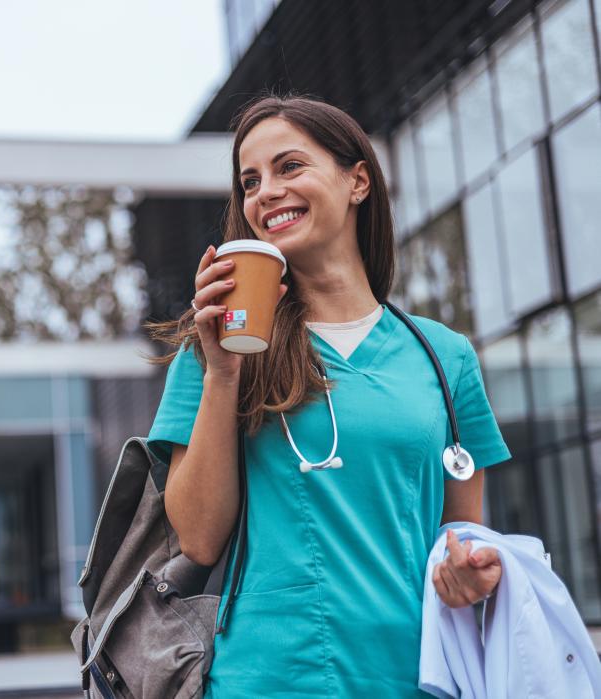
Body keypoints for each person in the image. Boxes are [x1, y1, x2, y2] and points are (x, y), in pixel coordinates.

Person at [143, 94, 511, 697]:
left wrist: (471, 574)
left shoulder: (446, 359)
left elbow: (463, 541)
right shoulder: (216, 349)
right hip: (267, 680)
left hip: (415, 678)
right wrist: (223, 376)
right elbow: (199, 539)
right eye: (250, 181)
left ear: (357, 180)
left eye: (290, 167)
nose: (265, 192)